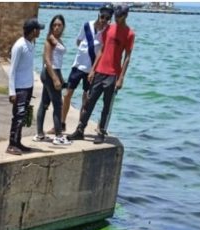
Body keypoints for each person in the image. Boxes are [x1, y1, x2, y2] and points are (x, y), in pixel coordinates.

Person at [68, 4, 134, 144]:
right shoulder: (109, 29)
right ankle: (80, 130)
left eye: (119, 16)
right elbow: (102, 50)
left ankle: (101, 132)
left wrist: (121, 78)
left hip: (113, 74)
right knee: (89, 102)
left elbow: (127, 57)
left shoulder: (129, 34)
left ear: (126, 15)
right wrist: (93, 70)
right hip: (99, 72)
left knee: (106, 106)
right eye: (115, 16)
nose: (116, 18)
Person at [60, 4, 113, 134]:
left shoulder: (107, 32)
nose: (104, 20)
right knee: (67, 95)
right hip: (77, 66)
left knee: (86, 100)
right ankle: (61, 124)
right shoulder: (86, 26)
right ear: (98, 15)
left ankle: (79, 128)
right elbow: (78, 41)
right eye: (102, 17)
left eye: (107, 18)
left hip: (91, 71)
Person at [7, 17, 44, 156]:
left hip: (28, 86)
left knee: (23, 116)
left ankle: (18, 142)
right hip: (19, 87)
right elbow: (12, 69)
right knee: (18, 115)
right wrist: (12, 92)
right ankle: (11, 144)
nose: (40, 31)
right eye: (38, 29)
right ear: (34, 31)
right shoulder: (19, 46)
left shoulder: (31, 44)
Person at [34, 14, 70, 145]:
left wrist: (60, 77)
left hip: (55, 72)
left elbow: (57, 62)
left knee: (44, 103)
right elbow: (48, 61)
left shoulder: (58, 40)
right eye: (54, 25)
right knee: (58, 104)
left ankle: (39, 134)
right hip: (50, 72)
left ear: (63, 27)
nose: (56, 27)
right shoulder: (50, 39)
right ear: (51, 26)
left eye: (59, 25)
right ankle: (59, 135)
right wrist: (55, 78)